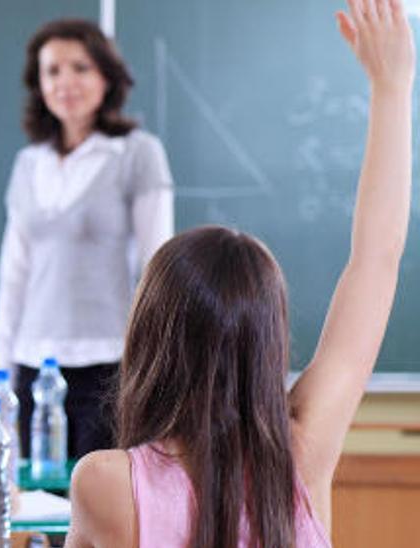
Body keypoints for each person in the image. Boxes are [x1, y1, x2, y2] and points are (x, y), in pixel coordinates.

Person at [66, 1, 412, 546]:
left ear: (150, 336)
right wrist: (393, 88)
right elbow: (378, 257)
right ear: (269, 339)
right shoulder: (303, 456)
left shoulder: (105, 482)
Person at [0, 17, 174, 459]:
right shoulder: (28, 164)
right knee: (37, 509)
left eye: (80, 67)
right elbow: (13, 274)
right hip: (33, 366)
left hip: (109, 365)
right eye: (52, 71)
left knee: (95, 508)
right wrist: (2, 368)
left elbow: (158, 268)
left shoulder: (137, 153)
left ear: (107, 77)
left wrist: (151, 368)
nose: (65, 82)